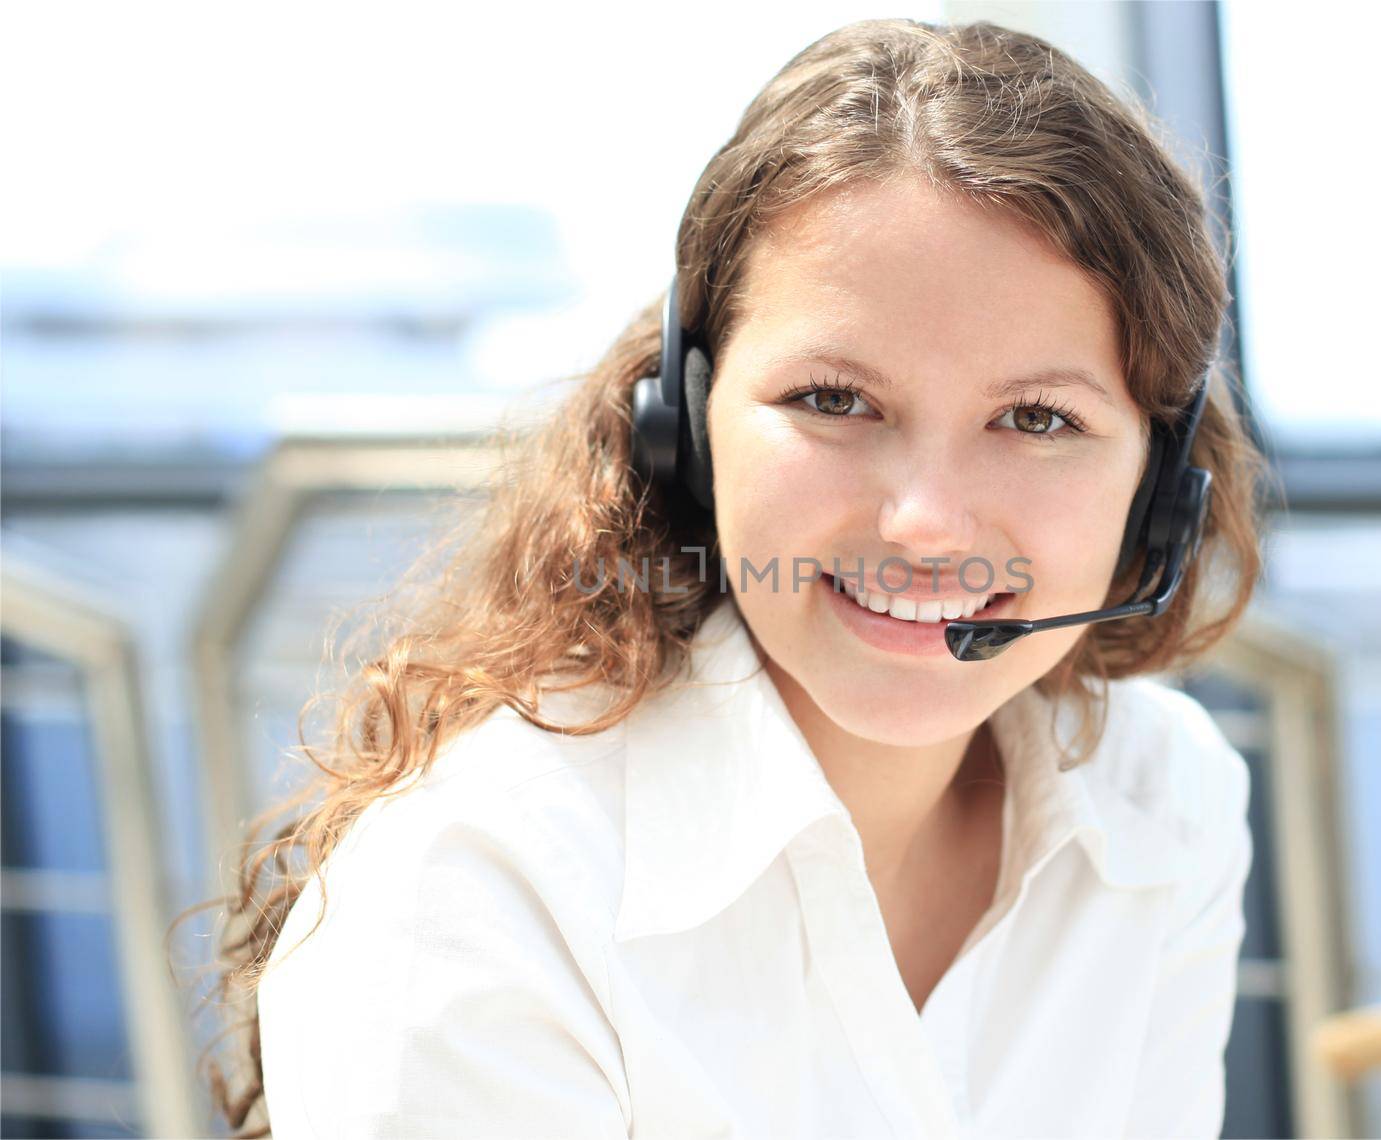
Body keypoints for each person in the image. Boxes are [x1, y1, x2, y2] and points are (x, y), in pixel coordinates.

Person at [200, 16, 1273, 1139]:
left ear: (1159, 489)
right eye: (833, 400)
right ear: (687, 426)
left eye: (1038, 417)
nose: (923, 525)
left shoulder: (1164, 795)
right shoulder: (480, 890)